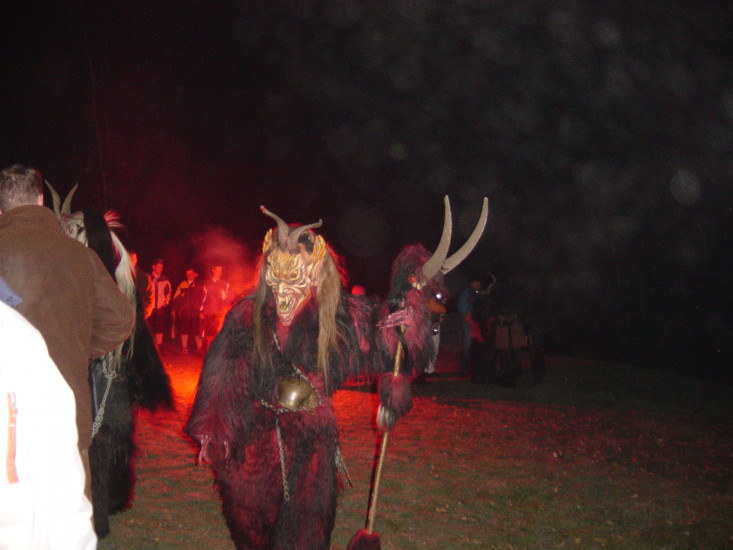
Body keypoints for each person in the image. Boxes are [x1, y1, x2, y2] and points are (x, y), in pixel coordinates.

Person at [184, 199, 487, 550]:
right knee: (253, 530)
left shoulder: (336, 317)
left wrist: (406, 311)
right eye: (275, 276)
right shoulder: (245, 318)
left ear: (314, 274)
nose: (283, 291)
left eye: (294, 277)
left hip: (312, 443)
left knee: (306, 533)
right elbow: (220, 370)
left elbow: (380, 338)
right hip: (256, 441)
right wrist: (215, 427)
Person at [0, 163, 134, 499]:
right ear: (41, 199)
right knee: (68, 518)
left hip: (7, 426)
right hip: (64, 418)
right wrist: (79, 347)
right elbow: (120, 318)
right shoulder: (81, 256)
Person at [0, 299, 97, 550]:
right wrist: (85, 351)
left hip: (47, 392)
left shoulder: (16, 333)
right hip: (57, 386)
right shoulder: (16, 333)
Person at [172, 267, 204, 354]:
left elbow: (203, 298)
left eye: (191, 274)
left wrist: (201, 311)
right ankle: (184, 348)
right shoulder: (182, 284)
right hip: (185, 312)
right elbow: (176, 298)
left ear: (194, 274)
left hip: (196, 312)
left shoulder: (199, 284)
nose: (189, 276)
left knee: (198, 331)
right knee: (184, 331)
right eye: (187, 274)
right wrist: (174, 309)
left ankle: (199, 348)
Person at [457, 277, 484, 376]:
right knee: (467, 347)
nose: (477, 285)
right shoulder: (467, 292)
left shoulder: (481, 293)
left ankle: (476, 369)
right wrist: (468, 316)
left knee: (477, 347)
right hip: (469, 323)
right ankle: (464, 371)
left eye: (478, 282)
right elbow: (462, 306)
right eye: (475, 282)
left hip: (479, 324)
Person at [200, 264, 230, 351]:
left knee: (219, 333)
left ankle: (217, 352)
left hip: (219, 313)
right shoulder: (207, 283)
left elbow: (228, 298)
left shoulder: (225, 284)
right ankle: (210, 351)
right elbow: (203, 298)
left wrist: (225, 310)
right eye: (217, 270)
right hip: (209, 312)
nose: (219, 273)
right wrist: (201, 311)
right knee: (209, 333)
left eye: (221, 271)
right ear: (213, 270)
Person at [149, 258, 172, 348]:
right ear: (153, 267)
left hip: (160, 307)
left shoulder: (165, 279)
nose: (160, 269)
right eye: (159, 267)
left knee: (160, 327)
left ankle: (159, 345)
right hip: (150, 308)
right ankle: (150, 345)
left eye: (162, 267)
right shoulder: (148, 277)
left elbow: (168, 292)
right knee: (149, 328)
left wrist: (165, 302)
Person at [129, 251, 153, 320]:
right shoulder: (117, 276)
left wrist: (142, 314)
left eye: (131, 259)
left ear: (135, 261)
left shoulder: (143, 277)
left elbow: (149, 299)